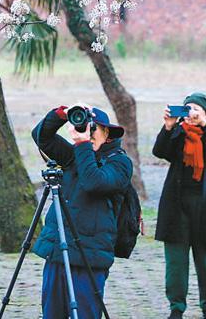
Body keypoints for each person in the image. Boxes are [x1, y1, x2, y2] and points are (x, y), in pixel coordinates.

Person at [31, 104, 132, 319]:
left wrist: (83, 144)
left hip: (90, 256)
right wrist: (61, 115)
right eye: (87, 126)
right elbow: (41, 137)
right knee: (52, 314)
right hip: (59, 250)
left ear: (108, 135)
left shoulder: (120, 163)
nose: (90, 131)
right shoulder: (76, 153)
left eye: (95, 128)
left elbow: (93, 182)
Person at [152, 92, 206, 319]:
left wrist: (204, 125)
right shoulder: (177, 134)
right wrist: (168, 127)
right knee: (176, 262)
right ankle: (176, 308)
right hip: (176, 206)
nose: (191, 113)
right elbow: (159, 151)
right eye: (187, 108)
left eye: (196, 108)